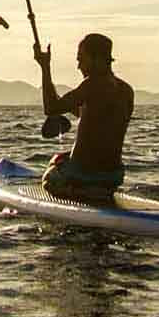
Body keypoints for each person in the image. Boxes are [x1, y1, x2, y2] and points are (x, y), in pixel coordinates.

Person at [36, 33, 134, 203]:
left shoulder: (91, 84)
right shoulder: (126, 90)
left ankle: (82, 191)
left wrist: (45, 67)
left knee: (50, 173)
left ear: (97, 59)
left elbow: (51, 108)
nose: (79, 66)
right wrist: (61, 104)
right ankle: (98, 190)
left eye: (81, 59)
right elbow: (95, 117)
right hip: (113, 177)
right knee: (62, 158)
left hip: (85, 175)